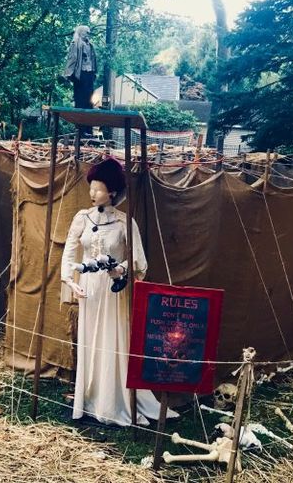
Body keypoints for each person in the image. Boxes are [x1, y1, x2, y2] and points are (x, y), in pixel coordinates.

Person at [61, 158, 177, 426]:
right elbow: (68, 253)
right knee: (90, 340)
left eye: (98, 189)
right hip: (88, 289)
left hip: (114, 292)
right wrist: (70, 280)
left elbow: (139, 262)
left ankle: (112, 401)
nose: (92, 194)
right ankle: (89, 398)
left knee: (113, 339)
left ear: (111, 192)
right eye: (91, 188)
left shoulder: (126, 222)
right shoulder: (81, 218)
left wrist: (121, 270)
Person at [63, 25, 97, 109]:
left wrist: (94, 72)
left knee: (90, 94)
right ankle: (80, 116)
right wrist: (68, 73)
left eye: (89, 33)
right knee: (80, 94)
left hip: (90, 72)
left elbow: (93, 59)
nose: (88, 34)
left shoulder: (90, 45)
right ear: (81, 32)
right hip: (80, 72)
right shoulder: (75, 43)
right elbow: (72, 58)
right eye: (86, 32)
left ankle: (88, 116)